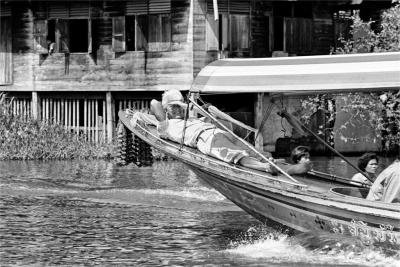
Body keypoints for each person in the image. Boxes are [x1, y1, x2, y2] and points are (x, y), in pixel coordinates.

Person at [150, 89, 311, 175]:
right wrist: (180, 104)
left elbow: (208, 117)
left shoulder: (191, 118)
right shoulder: (166, 125)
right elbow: (154, 103)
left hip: (220, 133)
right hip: (207, 140)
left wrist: (196, 110)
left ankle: (287, 167)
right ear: (167, 109)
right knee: (238, 157)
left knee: (260, 153)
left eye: (179, 105)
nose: (178, 109)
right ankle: (268, 169)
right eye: (174, 107)